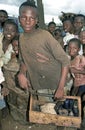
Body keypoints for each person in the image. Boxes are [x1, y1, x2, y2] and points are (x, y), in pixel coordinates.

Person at [17, 1, 70, 101]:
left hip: (57, 83)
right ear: (19, 19)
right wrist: (21, 73)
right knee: (45, 112)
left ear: (36, 20)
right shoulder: (21, 38)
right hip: (39, 85)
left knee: (61, 113)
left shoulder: (45, 36)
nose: (27, 21)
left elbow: (65, 61)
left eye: (32, 18)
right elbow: (24, 61)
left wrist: (60, 87)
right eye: (24, 17)